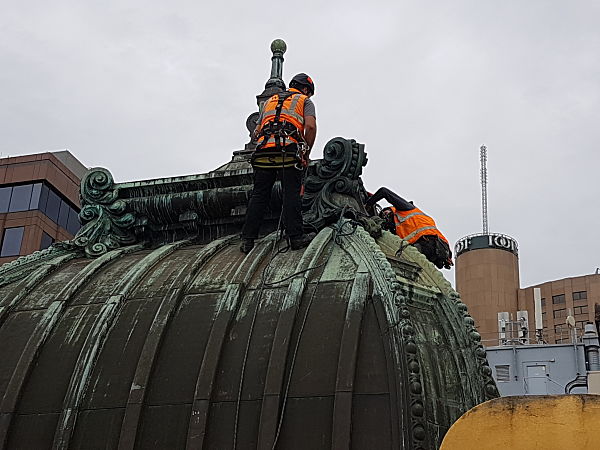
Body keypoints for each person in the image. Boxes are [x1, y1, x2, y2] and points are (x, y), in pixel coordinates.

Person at [240, 73, 317, 253]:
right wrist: (305, 153)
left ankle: (247, 240)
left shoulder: (269, 102)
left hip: (263, 152)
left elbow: (256, 132)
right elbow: (310, 126)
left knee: (259, 195)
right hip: (288, 151)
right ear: (305, 89)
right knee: (291, 193)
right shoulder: (304, 101)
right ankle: (296, 237)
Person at [365, 187, 453, 269]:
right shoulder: (399, 227)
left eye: (386, 213)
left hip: (430, 243)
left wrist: (368, 204)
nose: (385, 216)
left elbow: (383, 191)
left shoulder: (406, 209)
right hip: (438, 250)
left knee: (401, 259)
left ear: (392, 210)